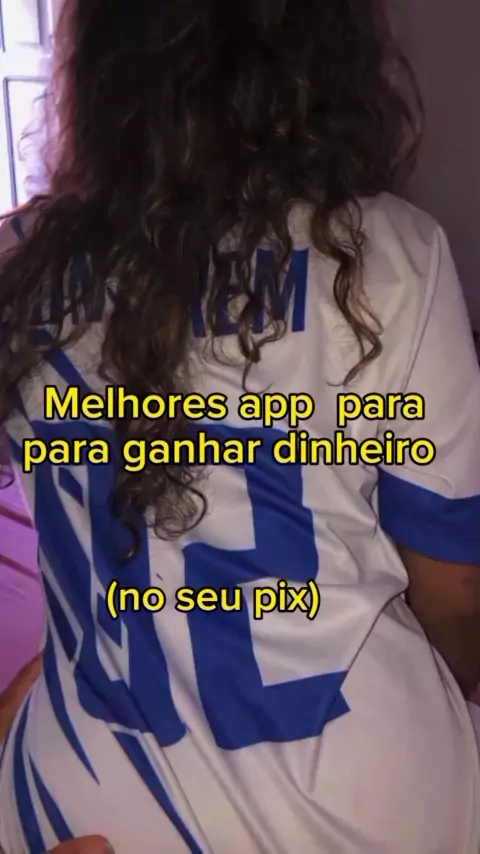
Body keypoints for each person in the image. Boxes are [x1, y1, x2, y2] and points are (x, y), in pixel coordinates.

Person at [0, 0, 479, 851]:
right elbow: (459, 594)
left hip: (93, 810)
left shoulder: (20, 264)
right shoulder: (392, 256)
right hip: (376, 807)